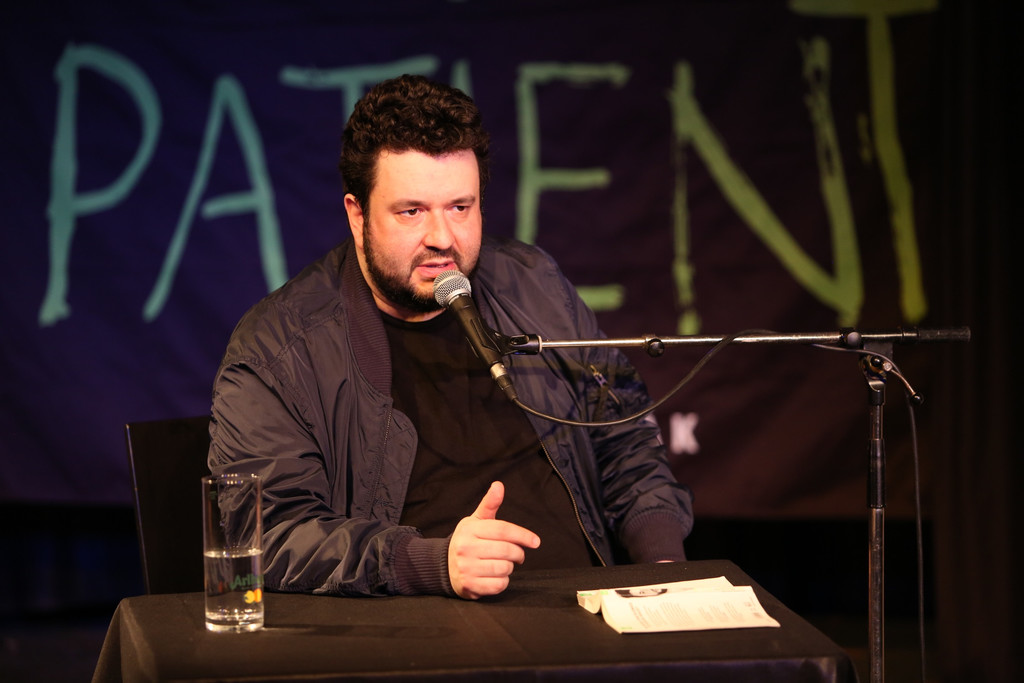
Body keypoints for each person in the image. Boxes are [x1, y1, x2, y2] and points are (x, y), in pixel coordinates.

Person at [208, 74, 693, 600]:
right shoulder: (278, 347)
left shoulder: (534, 283)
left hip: (597, 610)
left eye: (460, 208)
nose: (442, 238)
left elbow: (624, 435)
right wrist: (429, 563)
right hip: (420, 625)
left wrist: (662, 563)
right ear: (356, 214)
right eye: (411, 211)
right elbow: (267, 534)